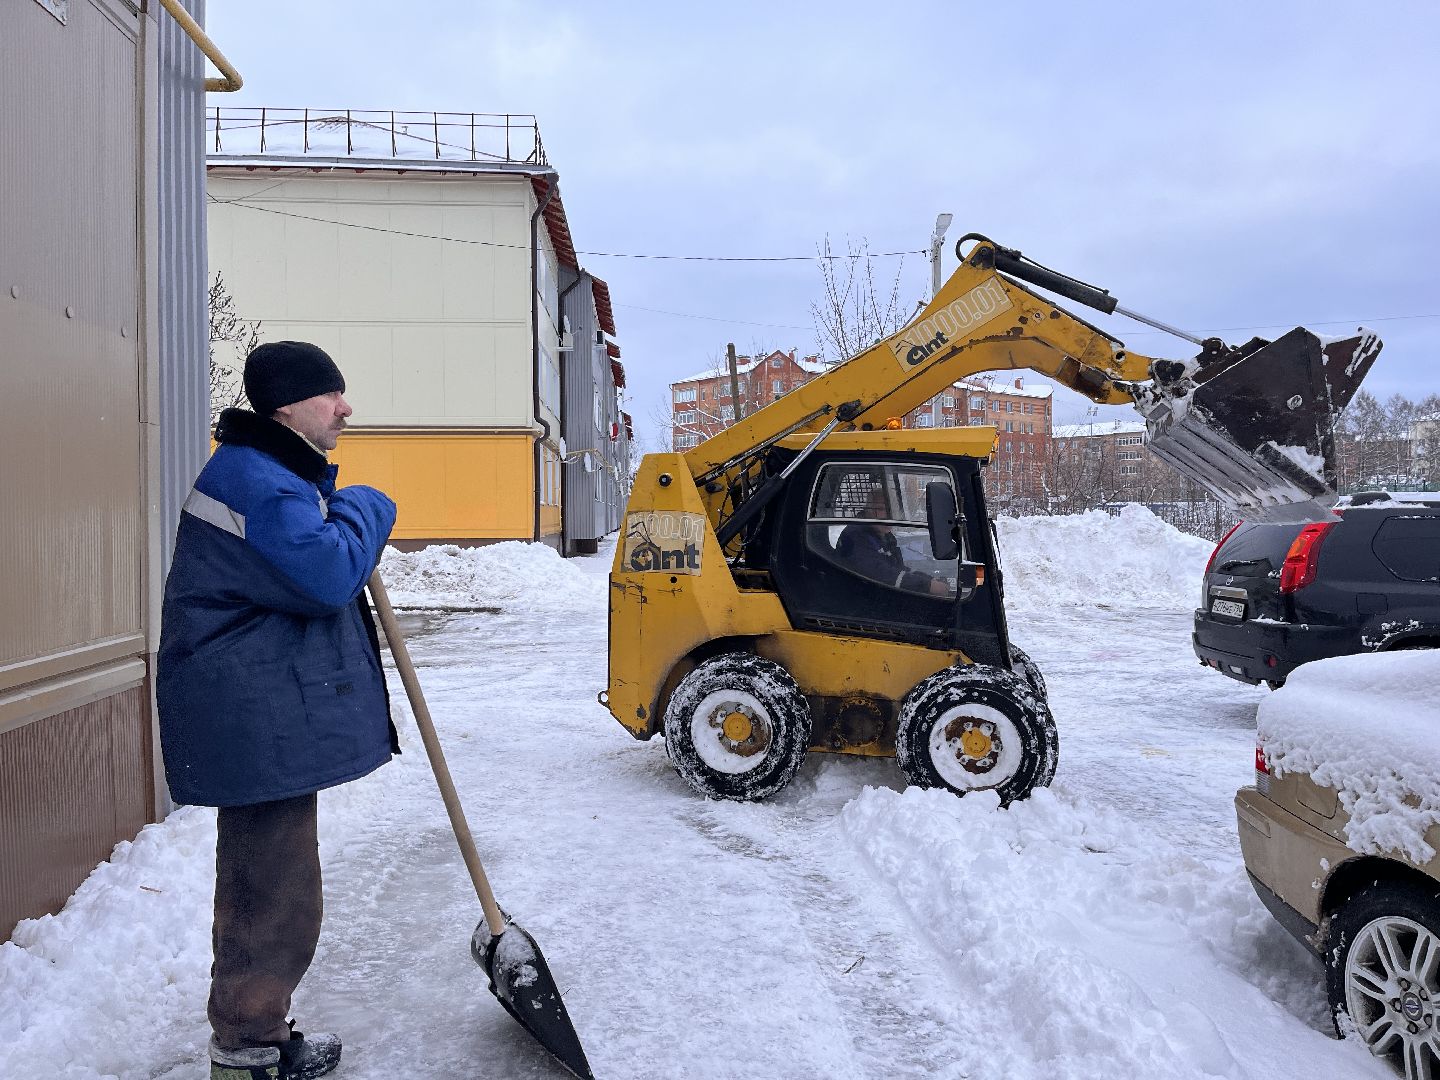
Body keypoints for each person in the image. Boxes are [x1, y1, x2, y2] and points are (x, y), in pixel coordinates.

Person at [157, 341, 398, 1080]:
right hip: (252, 710)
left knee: (262, 881)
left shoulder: (265, 473)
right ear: (288, 407)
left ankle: (248, 1032)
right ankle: (250, 1046)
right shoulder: (260, 482)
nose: (346, 408)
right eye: (331, 394)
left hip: (254, 706)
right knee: (274, 891)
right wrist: (367, 506)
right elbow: (326, 574)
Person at [834, 487, 951, 596]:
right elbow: (880, 574)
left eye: (892, 509)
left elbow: (897, 568)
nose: (889, 515)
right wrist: (927, 586)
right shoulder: (855, 536)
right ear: (867, 510)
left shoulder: (885, 535)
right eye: (880, 509)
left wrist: (928, 579)